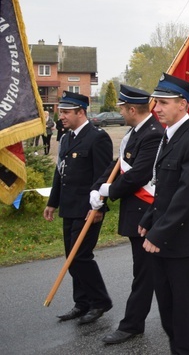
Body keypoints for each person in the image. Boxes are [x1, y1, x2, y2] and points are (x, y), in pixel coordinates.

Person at [138, 74, 189, 355]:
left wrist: (159, 232)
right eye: (155, 102)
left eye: (162, 103)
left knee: (185, 311)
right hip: (166, 236)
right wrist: (149, 219)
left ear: (182, 104)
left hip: (185, 240)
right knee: (168, 309)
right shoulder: (170, 136)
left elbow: (187, 195)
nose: (156, 108)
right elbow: (164, 187)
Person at [90, 85, 162, 345]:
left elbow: (140, 174)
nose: (119, 111)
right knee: (146, 271)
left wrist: (110, 191)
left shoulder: (153, 134)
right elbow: (117, 164)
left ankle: (131, 325)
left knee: (145, 273)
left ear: (132, 109)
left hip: (147, 213)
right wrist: (97, 188)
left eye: (121, 108)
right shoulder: (134, 132)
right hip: (135, 212)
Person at [43, 91, 113, 325]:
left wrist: (99, 208)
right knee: (71, 256)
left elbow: (103, 176)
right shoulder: (66, 138)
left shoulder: (97, 138)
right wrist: (53, 202)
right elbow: (60, 172)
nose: (60, 116)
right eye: (61, 111)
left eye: (65, 112)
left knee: (80, 256)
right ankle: (82, 303)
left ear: (80, 112)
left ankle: (100, 301)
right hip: (69, 207)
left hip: (88, 209)